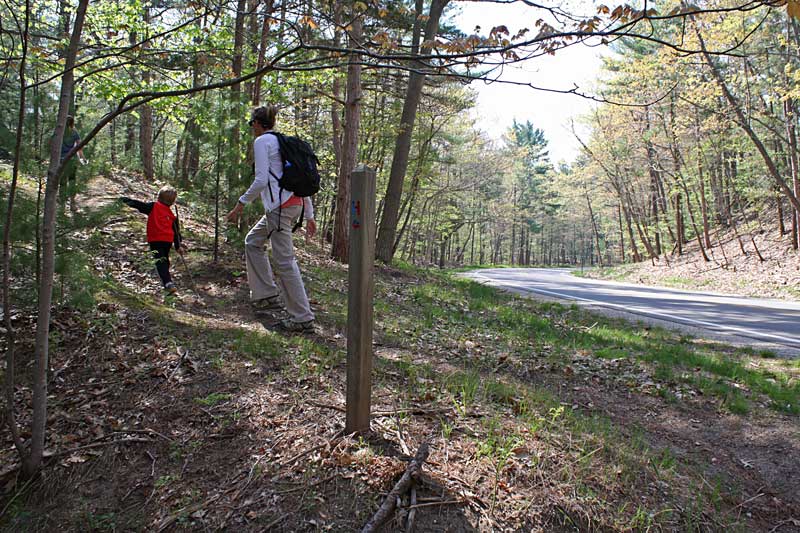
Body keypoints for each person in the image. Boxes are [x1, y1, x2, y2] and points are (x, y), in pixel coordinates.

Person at [226, 105, 316, 333]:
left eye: (251, 124)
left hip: (279, 209)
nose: (251, 128)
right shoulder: (282, 141)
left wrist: (240, 204)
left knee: (285, 261)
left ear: (257, 123)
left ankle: (302, 317)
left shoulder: (263, 142)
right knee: (253, 241)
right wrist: (309, 214)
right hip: (292, 205)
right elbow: (297, 179)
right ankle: (266, 294)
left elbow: (261, 180)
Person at [120, 186, 185, 294]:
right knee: (164, 259)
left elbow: (139, 205)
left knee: (160, 261)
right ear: (172, 202)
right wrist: (178, 246)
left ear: (159, 197)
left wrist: (125, 200)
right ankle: (167, 282)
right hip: (167, 241)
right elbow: (176, 233)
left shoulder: (153, 206)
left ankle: (168, 283)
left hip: (156, 240)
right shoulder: (171, 215)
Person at [60, 115, 86, 212]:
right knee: (72, 181)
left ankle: (62, 206)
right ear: (72, 123)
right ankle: (72, 204)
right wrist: (83, 158)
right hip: (71, 160)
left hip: (61, 160)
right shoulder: (74, 133)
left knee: (62, 183)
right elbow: (80, 147)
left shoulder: (59, 132)